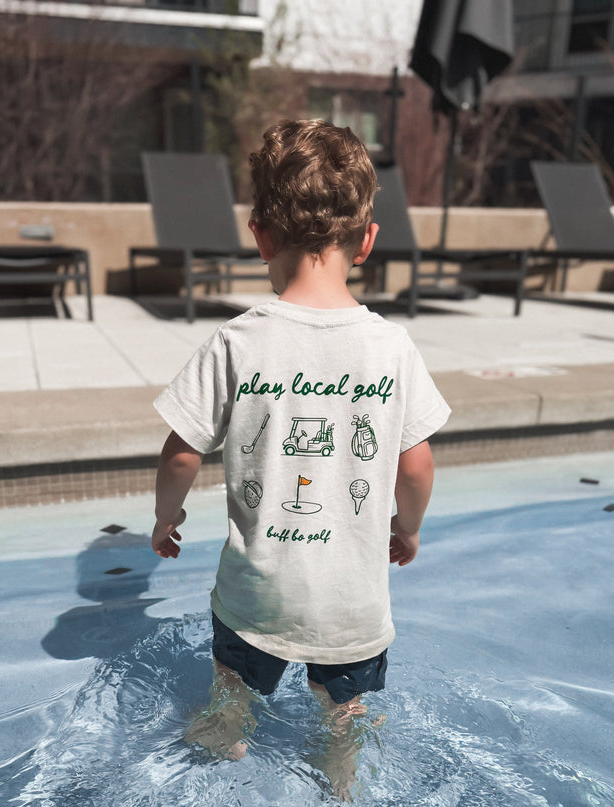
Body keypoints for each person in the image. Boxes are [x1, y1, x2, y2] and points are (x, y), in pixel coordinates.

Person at [151, 119, 450, 794]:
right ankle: (340, 774)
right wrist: (407, 529)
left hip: (256, 592)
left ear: (260, 235)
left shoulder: (236, 343)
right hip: (352, 603)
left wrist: (166, 519)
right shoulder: (392, 347)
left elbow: (180, 454)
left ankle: (227, 734)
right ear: (367, 241)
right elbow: (416, 465)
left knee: (232, 682)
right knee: (346, 712)